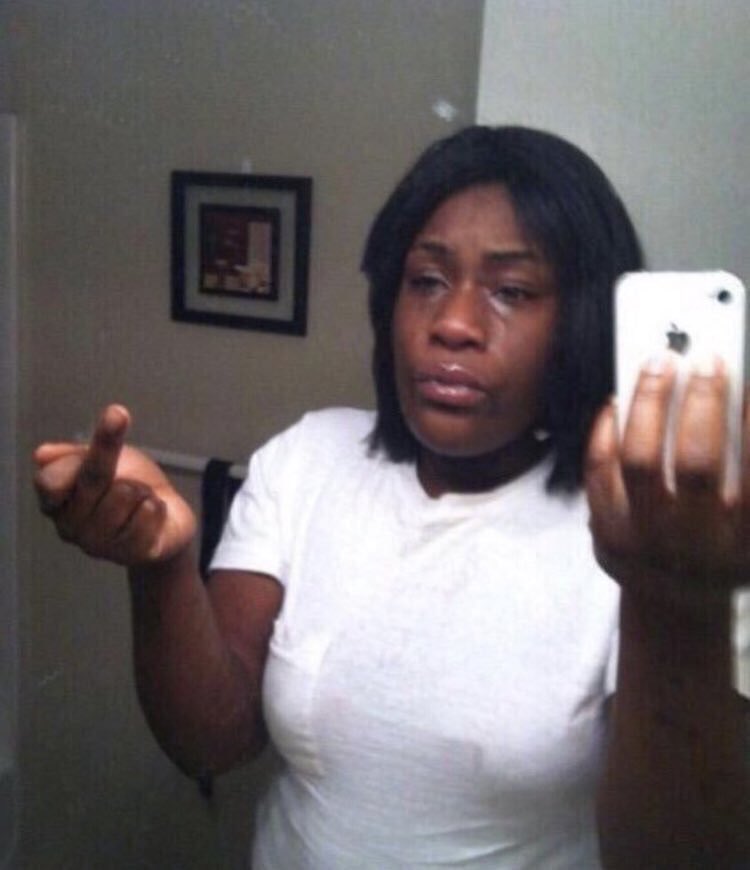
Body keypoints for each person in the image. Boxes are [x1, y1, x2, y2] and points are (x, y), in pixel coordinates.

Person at [34, 126, 749, 868]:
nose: (453, 324)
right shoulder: (309, 458)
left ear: (581, 322)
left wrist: (674, 597)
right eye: (427, 280)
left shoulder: (659, 528)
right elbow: (211, 739)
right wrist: (162, 566)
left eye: (511, 291)